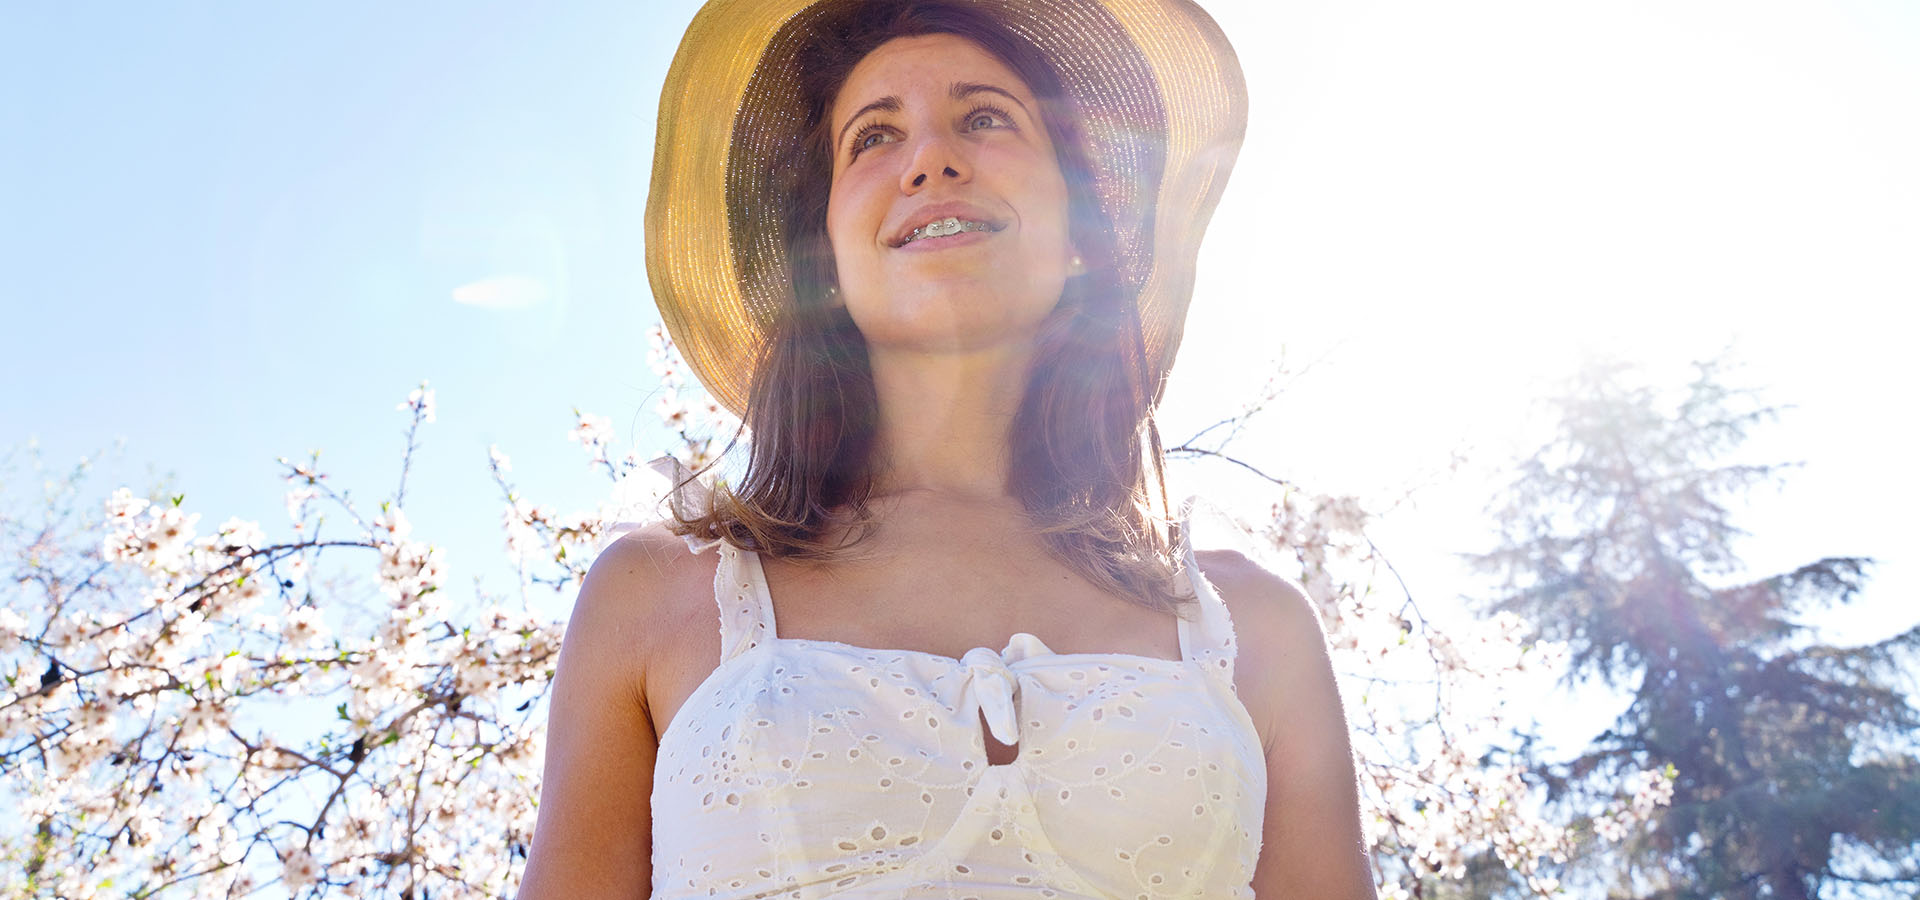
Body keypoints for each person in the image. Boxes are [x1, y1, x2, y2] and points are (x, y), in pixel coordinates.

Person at [518, 0, 1376, 896]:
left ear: (1086, 234)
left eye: (985, 117)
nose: (931, 158)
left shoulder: (1257, 631)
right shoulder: (657, 598)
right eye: (873, 138)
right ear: (829, 260)